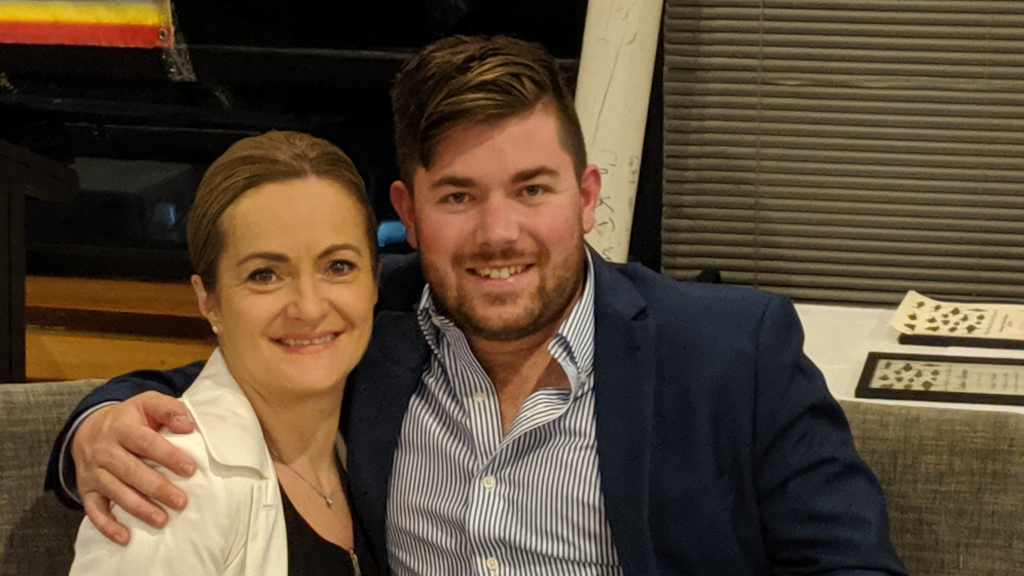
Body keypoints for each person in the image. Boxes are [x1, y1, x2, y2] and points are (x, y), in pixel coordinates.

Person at [48, 36, 907, 575]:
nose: (500, 234)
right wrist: (94, 426)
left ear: (586, 197)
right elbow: (225, 375)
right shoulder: (366, 324)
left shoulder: (734, 352)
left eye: (532, 189)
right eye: (459, 197)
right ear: (410, 212)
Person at [66, 131, 379, 575]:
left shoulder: (361, 444)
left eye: (338, 266)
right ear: (208, 300)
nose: (309, 308)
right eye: (265, 275)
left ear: (376, 281)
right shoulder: (174, 484)